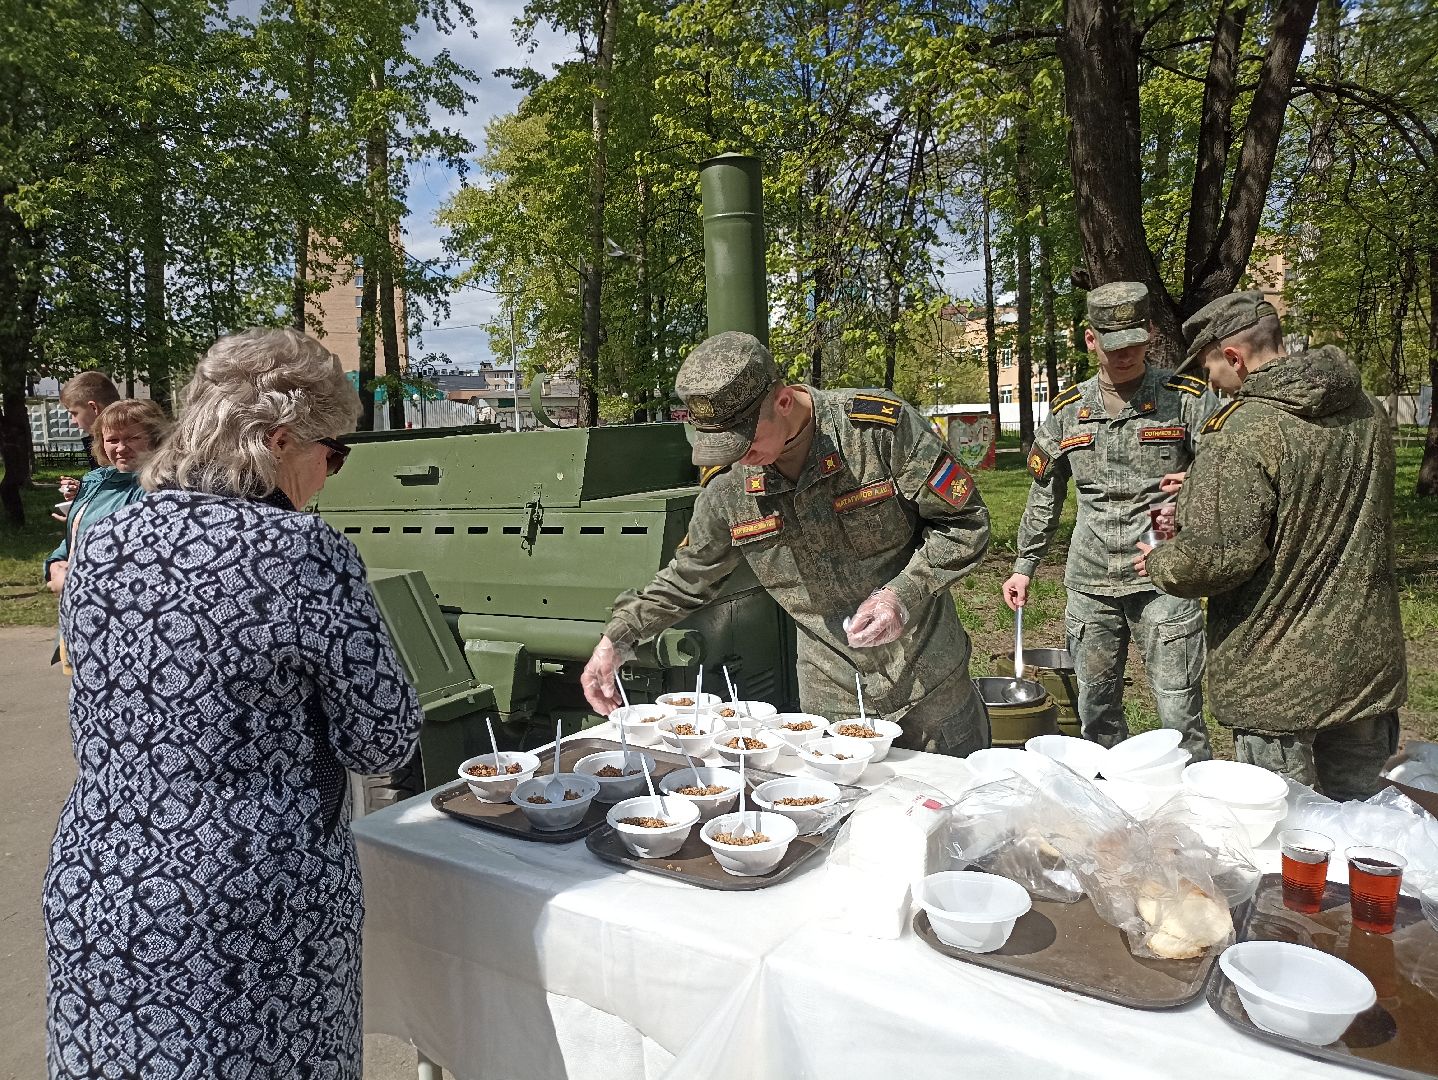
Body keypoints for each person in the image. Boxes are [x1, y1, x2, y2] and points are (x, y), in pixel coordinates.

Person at [43, 328, 423, 1079]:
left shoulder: (105, 544)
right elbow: (382, 740)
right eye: (333, 451)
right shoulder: (301, 551)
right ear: (281, 441)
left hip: (96, 885)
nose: (332, 471)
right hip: (247, 914)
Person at [579, 331, 993, 756]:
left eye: (746, 440)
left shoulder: (877, 433)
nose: (738, 457)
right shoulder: (729, 487)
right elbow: (689, 576)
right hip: (833, 701)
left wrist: (901, 596)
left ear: (782, 402)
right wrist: (618, 636)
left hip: (932, 688)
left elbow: (965, 524)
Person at [1139, 292, 1406, 800]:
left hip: (1278, 680)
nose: (1210, 383)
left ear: (1234, 357)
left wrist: (1161, 559)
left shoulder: (1241, 431)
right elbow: (1316, 494)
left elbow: (1220, 558)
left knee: (1289, 840)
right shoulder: (1366, 410)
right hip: (1366, 667)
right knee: (1369, 833)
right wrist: (1205, 487)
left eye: (1208, 369)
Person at [1002, 281, 1217, 758]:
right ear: (1091, 339)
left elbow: (1228, 475)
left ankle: (1191, 814)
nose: (1126, 355)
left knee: (1179, 712)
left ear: (1151, 332)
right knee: (1095, 712)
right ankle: (1109, 814)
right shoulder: (1066, 412)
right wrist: (1024, 564)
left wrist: (1197, 488)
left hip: (1165, 574)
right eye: (1114, 344)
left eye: (1136, 342)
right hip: (1091, 581)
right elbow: (1045, 493)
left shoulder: (1185, 399)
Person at [44, 399, 169, 598]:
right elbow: (79, 529)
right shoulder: (95, 481)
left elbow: (134, 558)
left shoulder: (159, 488)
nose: (121, 448)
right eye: (112, 440)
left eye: (132, 438)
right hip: (77, 598)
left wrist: (72, 581)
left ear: (155, 438)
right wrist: (55, 563)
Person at [54, 371, 122, 517]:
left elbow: (125, 492)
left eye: (74, 413)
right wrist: (84, 490)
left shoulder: (122, 446)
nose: (73, 422)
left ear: (93, 407)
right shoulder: (100, 442)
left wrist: (82, 518)